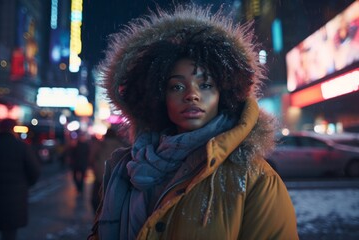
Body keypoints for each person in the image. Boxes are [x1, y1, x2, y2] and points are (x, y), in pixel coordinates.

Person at [88, 4, 299, 240]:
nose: (192, 95)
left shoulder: (255, 179)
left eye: (206, 85)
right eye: (177, 86)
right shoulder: (126, 171)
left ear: (224, 94)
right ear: (160, 98)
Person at [0, 118, 41, 240]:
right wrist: (25, 184)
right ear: (13, 129)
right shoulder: (22, 147)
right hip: (14, 198)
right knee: (9, 233)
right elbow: (35, 171)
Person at [89, 128, 127, 213]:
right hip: (115, 177)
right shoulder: (121, 146)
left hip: (100, 176)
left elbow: (91, 158)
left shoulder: (100, 144)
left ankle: (98, 216)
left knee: (96, 200)